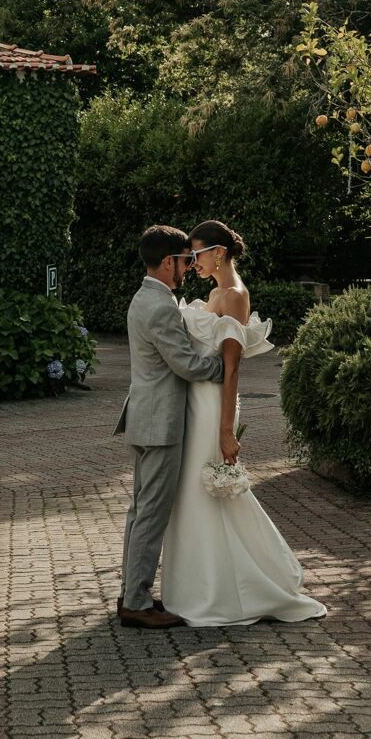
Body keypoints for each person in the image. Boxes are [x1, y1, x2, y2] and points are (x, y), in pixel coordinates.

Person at [155, 219, 326, 628]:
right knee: (194, 494)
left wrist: (226, 430)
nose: (191, 262)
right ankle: (192, 588)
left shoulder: (234, 297)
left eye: (196, 254)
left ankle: (227, 589)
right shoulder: (214, 293)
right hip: (196, 403)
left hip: (214, 406)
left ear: (218, 253)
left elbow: (231, 370)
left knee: (209, 491)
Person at [114, 225, 223, 629]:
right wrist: (226, 366)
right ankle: (137, 603)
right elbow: (187, 364)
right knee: (151, 514)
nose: (188, 267)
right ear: (166, 262)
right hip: (159, 424)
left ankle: (132, 592)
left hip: (144, 417)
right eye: (184, 260)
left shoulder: (145, 297)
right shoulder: (159, 305)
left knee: (139, 511)